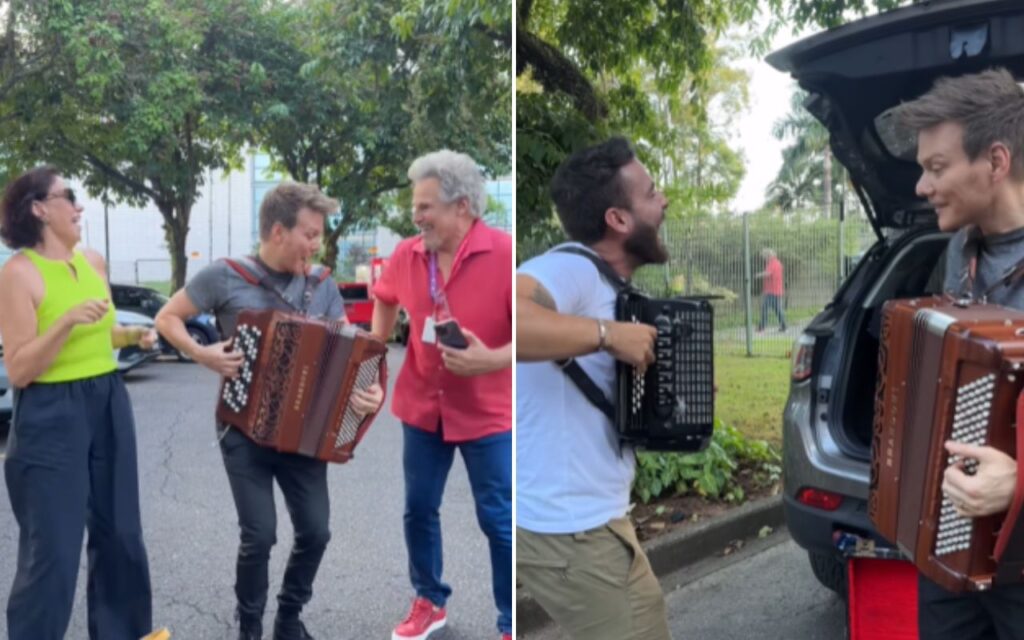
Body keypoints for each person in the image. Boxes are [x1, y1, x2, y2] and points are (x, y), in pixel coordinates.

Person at [154, 182, 383, 640]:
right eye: (310, 234)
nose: (316, 244)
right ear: (278, 231)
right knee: (259, 535)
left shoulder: (320, 285)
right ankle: (251, 628)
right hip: (242, 431)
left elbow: (354, 353)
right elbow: (166, 317)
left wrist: (370, 392)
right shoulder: (225, 275)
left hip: (304, 437)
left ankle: (289, 618)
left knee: (316, 533)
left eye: (319, 235)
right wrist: (203, 354)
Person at [516, 136, 672, 640]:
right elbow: (509, 318)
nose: (663, 200)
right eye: (651, 193)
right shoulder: (571, 269)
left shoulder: (607, 287)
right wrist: (608, 336)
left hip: (589, 523)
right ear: (619, 219)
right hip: (572, 530)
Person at [0, 167, 159, 640]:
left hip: (107, 398)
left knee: (121, 536)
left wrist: (134, 335)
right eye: (69, 196)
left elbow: (101, 332)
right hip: (50, 412)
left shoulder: (93, 261)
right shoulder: (18, 274)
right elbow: (23, 367)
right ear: (39, 208)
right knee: (54, 551)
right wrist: (65, 320)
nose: (79, 205)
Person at [894, 67, 1024, 639]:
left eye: (936, 168)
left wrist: (1020, 483)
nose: (921, 186)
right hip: (952, 540)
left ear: (996, 162)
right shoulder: (958, 251)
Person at [370, 150, 512, 640]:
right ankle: (430, 601)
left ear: (462, 208)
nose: (417, 216)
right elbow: (384, 299)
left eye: (427, 206)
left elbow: (534, 337)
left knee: (498, 520)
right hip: (422, 408)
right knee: (418, 508)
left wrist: (489, 360)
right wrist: (372, 356)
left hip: (487, 412)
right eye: (416, 206)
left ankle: (510, 621)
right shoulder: (407, 255)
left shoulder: (505, 255)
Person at [754, 248, 786, 332]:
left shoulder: (773, 263)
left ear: (769, 256)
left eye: (764, 256)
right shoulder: (777, 263)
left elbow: (768, 273)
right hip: (776, 290)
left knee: (765, 308)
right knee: (778, 309)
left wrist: (758, 275)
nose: (763, 258)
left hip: (772, 290)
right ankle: (783, 326)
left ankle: (762, 327)